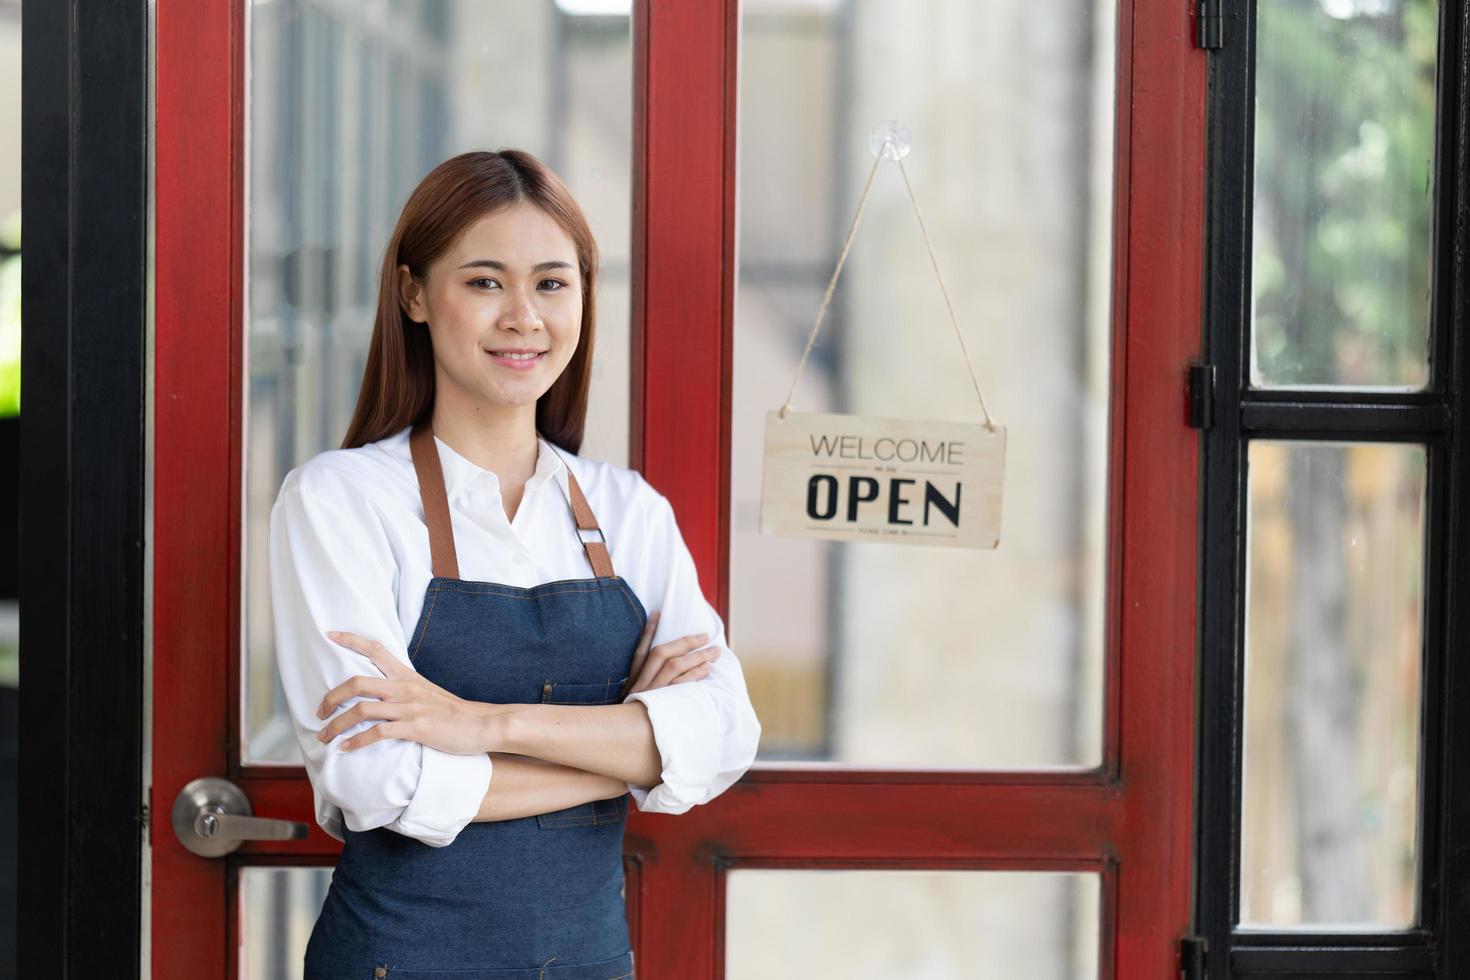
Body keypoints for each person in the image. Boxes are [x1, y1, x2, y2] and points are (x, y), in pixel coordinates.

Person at [268, 148, 762, 979]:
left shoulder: (630, 510)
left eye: (552, 283)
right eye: (486, 282)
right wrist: (626, 754)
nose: (524, 317)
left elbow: (721, 738)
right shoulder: (339, 502)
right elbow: (377, 778)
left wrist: (485, 725)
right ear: (415, 293)